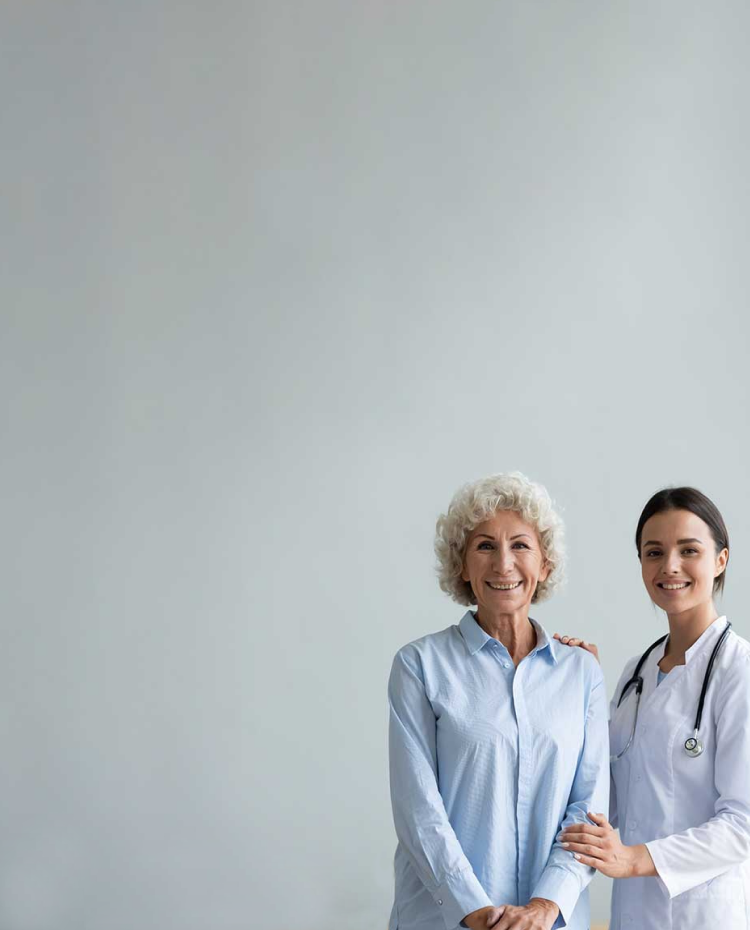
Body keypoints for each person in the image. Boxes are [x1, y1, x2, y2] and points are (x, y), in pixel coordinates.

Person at [388, 473, 609, 930]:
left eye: (521, 546)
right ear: (462, 567)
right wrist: (479, 913)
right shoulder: (419, 666)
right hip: (448, 920)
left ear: (545, 564)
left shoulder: (582, 672)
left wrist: (545, 907)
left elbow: (587, 808)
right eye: (485, 546)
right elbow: (418, 811)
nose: (503, 564)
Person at [556, 486, 750, 929]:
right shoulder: (634, 674)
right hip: (632, 912)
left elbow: (743, 826)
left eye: (689, 550)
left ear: (721, 560)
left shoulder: (740, 671)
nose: (670, 566)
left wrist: (634, 859)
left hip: (704, 914)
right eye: (654, 552)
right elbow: (613, 800)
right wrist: (577, 690)